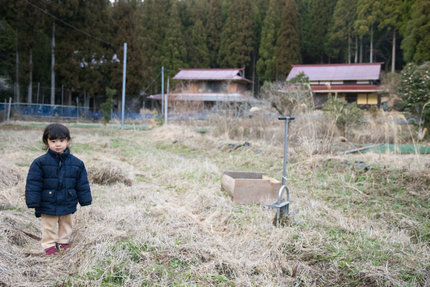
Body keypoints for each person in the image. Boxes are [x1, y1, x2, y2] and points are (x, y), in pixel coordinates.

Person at [25, 123, 92, 255]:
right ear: (46, 142)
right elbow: (34, 183)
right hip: (47, 201)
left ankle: (63, 241)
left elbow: (82, 183)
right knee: (49, 225)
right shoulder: (40, 163)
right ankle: (49, 244)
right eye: (53, 141)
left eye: (61, 140)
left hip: (68, 199)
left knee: (66, 223)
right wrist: (33, 201)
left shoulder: (77, 163)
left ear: (68, 141)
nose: (58, 144)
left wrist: (85, 200)